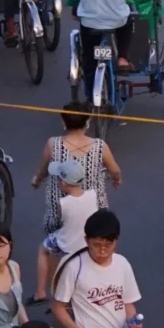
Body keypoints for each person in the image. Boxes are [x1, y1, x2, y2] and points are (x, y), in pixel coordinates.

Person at [32, 108, 120, 298]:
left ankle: (54, 290)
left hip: (62, 217)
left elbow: (42, 170)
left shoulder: (52, 144)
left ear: (64, 123)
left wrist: (36, 181)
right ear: (87, 123)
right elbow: (115, 170)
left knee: (50, 247)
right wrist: (116, 180)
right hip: (94, 215)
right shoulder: (100, 146)